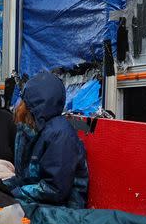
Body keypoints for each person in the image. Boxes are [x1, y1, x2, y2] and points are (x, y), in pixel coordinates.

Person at [5, 71, 88, 208]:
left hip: (63, 209)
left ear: (32, 104)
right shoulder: (30, 129)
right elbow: (23, 178)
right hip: (38, 200)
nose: (18, 104)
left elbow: (55, 190)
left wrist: (14, 193)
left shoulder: (60, 134)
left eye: (23, 100)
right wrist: (2, 186)